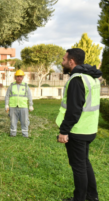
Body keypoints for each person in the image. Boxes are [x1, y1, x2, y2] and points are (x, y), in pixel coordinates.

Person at [57, 48, 101, 201]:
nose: (62, 62)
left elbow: (74, 110)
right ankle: (92, 196)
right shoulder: (92, 77)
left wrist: (64, 131)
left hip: (78, 130)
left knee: (79, 167)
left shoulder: (77, 80)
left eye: (63, 59)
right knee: (84, 162)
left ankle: (79, 199)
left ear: (71, 61)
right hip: (89, 129)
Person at [5, 69, 34, 138]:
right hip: (13, 106)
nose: (19, 78)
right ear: (15, 77)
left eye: (21, 76)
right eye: (18, 76)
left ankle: (25, 135)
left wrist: (30, 105)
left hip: (23, 106)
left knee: (24, 121)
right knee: (13, 121)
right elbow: (7, 96)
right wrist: (6, 104)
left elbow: (29, 96)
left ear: (23, 77)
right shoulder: (11, 86)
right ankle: (13, 134)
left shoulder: (26, 86)